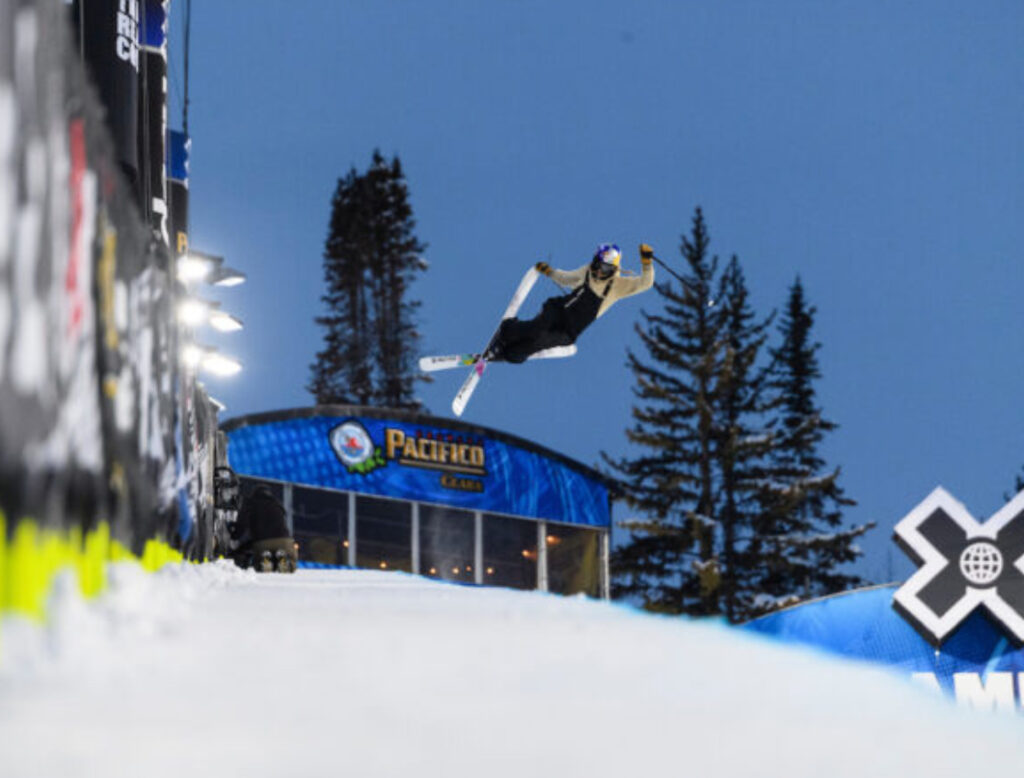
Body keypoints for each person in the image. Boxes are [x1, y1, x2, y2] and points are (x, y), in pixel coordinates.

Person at [485, 243, 656, 363]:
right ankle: (507, 332)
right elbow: (567, 279)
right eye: (597, 264)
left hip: (569, 330)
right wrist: (550, 272)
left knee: (539, 341)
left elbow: (644, 283)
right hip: (558, 310)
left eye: (604, 268)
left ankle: (509, 353)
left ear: (613, 269)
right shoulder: (588, 271)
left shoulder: (617, 286)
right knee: (536, 328)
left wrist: (647, 264)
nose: (597, 270)